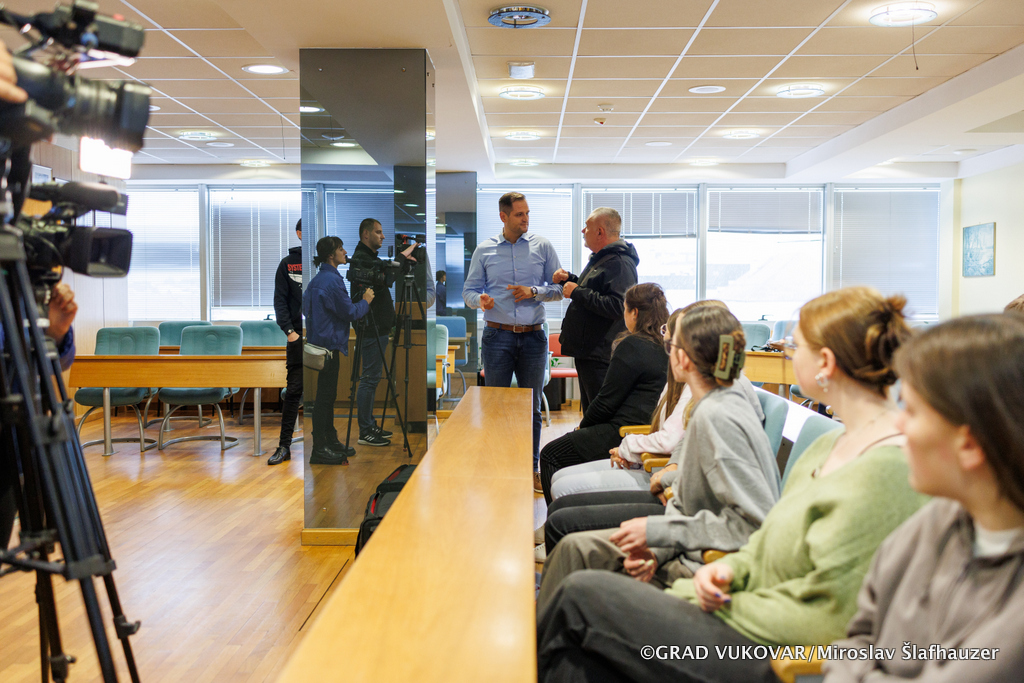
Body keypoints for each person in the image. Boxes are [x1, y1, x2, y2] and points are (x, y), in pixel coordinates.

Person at [537, 286, 929, 683]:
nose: (789, 354)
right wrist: (727, 571)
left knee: (579, 598)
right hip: (740, 601)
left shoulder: (886, 469)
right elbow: (768, 540)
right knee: (578, 645)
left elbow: (833, 616)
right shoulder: (829, 445)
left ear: (825, 362)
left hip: (766, 646)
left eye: (796, 347)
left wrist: (703, 592)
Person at [824, 314, 1024, 683]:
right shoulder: (933, 522)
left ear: (969, 444)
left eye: (911, 411)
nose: (898, 424)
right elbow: (857, 641)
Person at [537, 305, 779, 605]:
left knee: (573, 550)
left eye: (670, 345)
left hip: (697, 567)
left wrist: (659, 533)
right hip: (678, 545)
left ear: (682, 358)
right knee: (572, 548)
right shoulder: (709, 405)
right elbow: (690, 501)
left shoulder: (719, 416)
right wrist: (658, 546)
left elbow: (754, 524)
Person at [463, 191, 563, 491]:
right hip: (497, 336)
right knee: (496, 407)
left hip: (534, 337)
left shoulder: (543, 246)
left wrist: (534, 291)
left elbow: (560, 289)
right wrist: (479, 300)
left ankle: (530, 469)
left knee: (531, 408)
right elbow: (468, 291)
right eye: (519, 214)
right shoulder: (484, 250)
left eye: (527, 213)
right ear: (503, 216)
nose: (526, 219)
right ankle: (498, 467)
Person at [538, 283, 669, 504]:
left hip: (623, 431)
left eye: (624, 309)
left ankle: (555, 519)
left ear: (634, 313)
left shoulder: (633, 344)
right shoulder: (664, 345)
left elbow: (605, 402)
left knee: (550, 454)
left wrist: (582, 428)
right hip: (646, 430)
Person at [552, 207, 639, 414]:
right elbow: (595, 291)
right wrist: (570, 280)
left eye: (587, 226)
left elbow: (618, 306)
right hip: (589, 351)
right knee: (590, 412)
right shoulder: (603, 259)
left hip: (600, 354)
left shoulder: (620, 263)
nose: (583, 231)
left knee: (598, 414)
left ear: (600, 232)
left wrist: (577, 292)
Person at [303, 236, 373, 465]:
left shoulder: (316, 280)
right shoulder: (332, 281)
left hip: (319, 345)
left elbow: (305, 309)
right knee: (325, 398)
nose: (345, 252)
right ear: (330, 255)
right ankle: (319, 449)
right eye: (340, 248)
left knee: (326, 396)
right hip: (330, 347)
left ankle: (330, 440)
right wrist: (366, 301)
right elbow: (350, 312)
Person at [349, 218, 418, 448]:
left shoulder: (370, 258)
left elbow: (385, 276)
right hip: (370, 327)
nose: (383, 236)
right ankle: (365, 430)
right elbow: (384, 278)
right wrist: (401, 258)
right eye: (378, 232)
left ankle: (369, 424)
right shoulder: (362, 259)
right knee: (369, 379)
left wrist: (402, 263)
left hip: (377, 327)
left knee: (372, 377)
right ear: (366, 234)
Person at [268, 219, 303, 466]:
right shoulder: (287, 264)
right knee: (293, 392)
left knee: (325, 393)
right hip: (298, 337)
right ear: (299, 234)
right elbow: (279, 301)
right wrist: (290, 332)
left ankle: (326, 442)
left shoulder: (326, 262)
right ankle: (284, 446)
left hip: (323, 337)